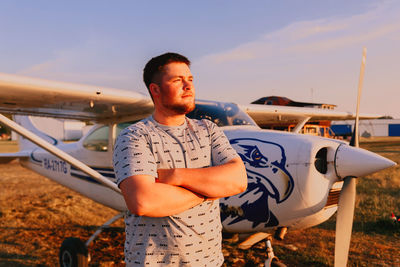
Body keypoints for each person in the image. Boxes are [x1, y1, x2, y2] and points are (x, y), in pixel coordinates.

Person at [113, 52, 247, 266]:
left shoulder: (209, 130)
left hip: (210, 262)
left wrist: (176, 176)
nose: (188, 86)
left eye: (190, 79)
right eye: (178, 80)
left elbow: (238, 180)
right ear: (155, 90)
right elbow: (143, 201)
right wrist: (209, 190)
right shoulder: (135, 136)